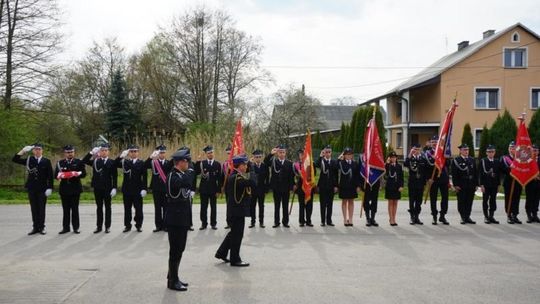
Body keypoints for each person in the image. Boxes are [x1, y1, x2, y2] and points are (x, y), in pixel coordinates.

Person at [215, 154, 255, 267]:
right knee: (237, 235)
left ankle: (221, 252)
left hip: (235, 211)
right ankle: (235, 259)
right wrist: (252, 169)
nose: (246, 166)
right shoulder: (237, 178)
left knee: (233, 234)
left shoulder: (235, 176)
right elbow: (253, 182)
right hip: (237, 212)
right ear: (240, 165)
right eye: (245, 164)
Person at [165, 148, 194, 291]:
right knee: (175, 250)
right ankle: (172, 281)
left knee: (180, 249)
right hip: (175, 220)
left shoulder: (181, 174)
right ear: (179, 162)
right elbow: (188, 183)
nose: (188, 163)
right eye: (186, 161)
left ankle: (173, 276)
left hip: (182, 219)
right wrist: (189, 173)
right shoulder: (173, 176)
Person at [12, 143, 54, 235]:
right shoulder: (29, 160)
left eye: (39, 149)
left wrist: (50, 188)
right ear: (33, 151)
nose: (37, 151)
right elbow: (15, 159)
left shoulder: (46, 161)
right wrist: (23, 151)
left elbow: (50, 176)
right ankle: (35, 227)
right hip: (32, 188)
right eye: (35, 149)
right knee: (34, 208)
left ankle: (41, 227)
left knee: (41, 208)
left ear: (42, 150)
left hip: (43, 189)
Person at [82, 143, 118, 233]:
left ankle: (107, 226)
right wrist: (91, 153)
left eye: (106, 150)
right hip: (97, 187)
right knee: (99, 207)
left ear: (108, 152)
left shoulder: (112, 162)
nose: (104, 152)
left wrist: (114, 188)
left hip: (108, 188)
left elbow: (115, 176)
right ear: (99, 152)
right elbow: (84, 161)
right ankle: (99, 226)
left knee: (108, 207)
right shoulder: (95, 161)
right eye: (102, 150)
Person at [116, 144, 148, 232]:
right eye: (131, 151)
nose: (133, 153)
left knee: (138, 209)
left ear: (138, 153)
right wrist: (121, 156)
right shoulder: (124, 162)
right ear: (129, 153)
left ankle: (138, 225)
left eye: (135, 151)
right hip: (127, 189)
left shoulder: (141, 163)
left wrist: (144, 188)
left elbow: (144, 176)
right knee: (127, 209)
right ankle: (127, 225)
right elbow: (114, 164)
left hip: (138, 189)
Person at [55, 145, 86, 234]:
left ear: (74, 152)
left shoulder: (79, 162)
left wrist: (77, 173)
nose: (70, 154)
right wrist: (61, 176)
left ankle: (76, 227)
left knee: (75, 209)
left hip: (75, 189)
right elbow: (56, 175)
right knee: (66, 210)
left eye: (71, 152)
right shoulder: (60, 163)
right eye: (68, 152)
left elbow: (83, 174)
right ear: (65, 153)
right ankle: (66, 228)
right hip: (64, 189)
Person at [264, 144, 295, 228]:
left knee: (285, 206)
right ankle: (276, 222)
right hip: (276, 188)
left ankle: (285, 222)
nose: (281, 154)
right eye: (280, 152)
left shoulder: (289, 163)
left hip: (285, 188)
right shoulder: (273, 161)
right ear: (278, 153)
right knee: (277, 206)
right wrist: (271, 154)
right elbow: (265, 162)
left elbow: (291, 177)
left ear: (285, 153)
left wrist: (292, 187)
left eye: (283, 152)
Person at [145, 144, 172, 232]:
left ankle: (166, 225)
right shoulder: (153, 162)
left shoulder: (169, 163)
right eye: (160, 153)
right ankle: (158, 226)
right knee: (157, 208)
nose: (162, 154)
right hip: (156, 188)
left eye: (163, 152)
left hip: (165, 188)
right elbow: (145, 166)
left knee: (166, 208)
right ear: (157, 153)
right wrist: (150, 157)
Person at [424, 136, 450, 225]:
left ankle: (442, 216)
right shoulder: (427, 154)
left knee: (445, 198)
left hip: (443, 178)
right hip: (433, 179)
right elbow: (426, 168)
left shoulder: (443, 152)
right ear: (430, 143)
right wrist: (428, 179)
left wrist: (444, 156)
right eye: (433, 142)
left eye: (436, 141)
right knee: (433, 198)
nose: (434, 143)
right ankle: (434, 216)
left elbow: (447, 165)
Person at [195, 145, 222, 230]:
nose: (210, 154)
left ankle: (213, 224)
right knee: (203, 207)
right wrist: (198, 162)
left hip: (213, 189)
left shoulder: (217, 164)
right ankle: (204, 223)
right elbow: (196, 172)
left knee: (213, 207)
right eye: (209, 153)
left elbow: (219, 178)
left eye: (212, 152)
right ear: (206, 154)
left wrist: (218, 190)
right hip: (204, 189)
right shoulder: (202, 163)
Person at [451, 144, 478, 224]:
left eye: (467, 150)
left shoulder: (472, 160)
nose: (466, 151)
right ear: (460, 151)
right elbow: (454, 174)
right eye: (464, 150)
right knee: (461, 201)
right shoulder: (456, 160)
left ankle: (467, 216)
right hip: (461, 184)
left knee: (469, 201)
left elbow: (475, 173)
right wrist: (455, 185)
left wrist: (476, 184)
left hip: (471, 184)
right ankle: (462, 217)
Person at [314, 145, 337, 226]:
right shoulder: (322, 161)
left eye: (329, 152)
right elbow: (316, 165)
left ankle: (329, 220)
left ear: (331, 153)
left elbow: (336, 175)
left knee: (330, 204)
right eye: (326, 152)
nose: (328, 154)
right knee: (323, 204)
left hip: (331, 186)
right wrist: (320, 156)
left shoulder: (334, 162)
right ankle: (323, 221)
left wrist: (336, 186)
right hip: (322, 186)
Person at [404, 144, 426, 225]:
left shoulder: (423, 159)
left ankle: (417, 216)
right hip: (412, 182)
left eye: (418, 149)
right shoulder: (410, 158)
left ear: (420, 150)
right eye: (415, 149)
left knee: (419, 201)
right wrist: (409, 154)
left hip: (420, 183)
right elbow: (405, 164)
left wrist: (425, 183)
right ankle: (412, 217)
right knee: (412, 200)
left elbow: (424, 172)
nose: (416, 151)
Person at [479, 144, 501, 224]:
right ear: (486, 153)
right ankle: (486, 216)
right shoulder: (483, 161)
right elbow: (480, 173)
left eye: (492, 152)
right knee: (485, 200)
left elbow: (498, 174)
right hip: (486, 185)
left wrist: (499, 185)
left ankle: (491, 216)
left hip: (494, 185)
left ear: (494, 152)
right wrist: (481, 185)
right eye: (489, 152)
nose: (491, 153)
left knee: (493, 201)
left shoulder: (497, 161)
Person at [293, 149, 316, 227]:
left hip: (309, 187)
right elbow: (295, 175)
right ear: (299, 156)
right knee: (302, 205)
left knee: (309, 205)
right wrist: (300, 174)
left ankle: (309, 220)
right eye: (301, 154)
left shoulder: (311, 164)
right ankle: (302, 221)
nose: (302, 156)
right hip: (301, 188)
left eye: (304, 154)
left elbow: (314, 174)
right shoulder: (296, 165)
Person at [337, 147, 359, 227]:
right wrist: (339, 159)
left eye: (350, 154)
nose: (349, 156)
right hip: (344, 186)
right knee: (344, 202)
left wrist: (358, 186)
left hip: (352, 186)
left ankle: (350, 219)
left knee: (351, 202)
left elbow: (357, 176)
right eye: (347, 154)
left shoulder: (355, 163)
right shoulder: (341, 163)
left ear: (352, 155)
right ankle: (344, 219)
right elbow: (336, 166)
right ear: (344, 155)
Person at [501, 141, 522, 224]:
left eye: (513, 148)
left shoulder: (520, 158)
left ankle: (515, 215)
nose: (511, 149)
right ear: (508, 149)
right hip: (509, 182)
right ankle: (509, 215)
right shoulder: (504, 158)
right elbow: (502, 169)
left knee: (516, 199)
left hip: (518, 182)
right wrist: (510, 169)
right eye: (510, 148)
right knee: (508, 198)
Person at [359, 152, 381, 227]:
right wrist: (360, 185)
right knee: (366, 200)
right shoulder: (362, 157)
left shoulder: (377, 156)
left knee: (374, 200)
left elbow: (379, 170)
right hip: (366, 182)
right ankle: (368, 218)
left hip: (375, 181)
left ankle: (373, 218)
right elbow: (360, 171)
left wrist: (380, 183)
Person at [249, 149, 268, 228]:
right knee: (252, 206)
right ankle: (253, 222)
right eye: (256, 157)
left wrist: (266, 189)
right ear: (253, 157)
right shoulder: (251, 166)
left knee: (261, 206)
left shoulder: (264, 166)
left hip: (261, 189)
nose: (258, 158)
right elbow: (245, 171)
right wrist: (249, 162)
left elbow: (267, 178)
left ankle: (261, 222)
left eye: (260, 157)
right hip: (253, 189)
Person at [384, 152, 403, 226]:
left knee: (395, 203)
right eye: (391, 157)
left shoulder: (399, 166)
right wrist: (387, 163)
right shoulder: (388, 166)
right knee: (390, 203)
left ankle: (394, 218)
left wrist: (401, 186)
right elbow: (385, 175)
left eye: (394, 157)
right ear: (389, 158)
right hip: (389, 187)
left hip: (397, 187)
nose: (393, 158)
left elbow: (401, 177)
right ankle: (391, 218)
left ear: (396, 158)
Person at [525, 144, 540, 223]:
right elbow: (525, 170)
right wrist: (532, 176)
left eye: (536, 150)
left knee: (536, 199)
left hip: (538, 183)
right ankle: (528, 215)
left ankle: (535, 214)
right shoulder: (528, 160)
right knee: (529, 199)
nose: (534, 152)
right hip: (530, 182)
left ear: (538, 152)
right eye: (533, 150)